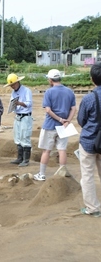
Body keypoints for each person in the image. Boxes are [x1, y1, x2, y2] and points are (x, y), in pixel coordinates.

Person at [33, 69, 76, 181]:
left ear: (51, 80)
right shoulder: (69, 91)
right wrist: (67, 121)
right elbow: (73, 108)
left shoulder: (49, 92)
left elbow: (48, 110)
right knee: (62, 149)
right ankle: (62, 174)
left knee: (46, 150)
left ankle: (42, 174)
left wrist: (60, 119)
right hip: (64, 127)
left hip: (50, 125)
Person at [77, 62, 101, 217]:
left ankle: (93, 208)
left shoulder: (89, 98)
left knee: (87, 175)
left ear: (92, 79)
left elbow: (81, 120)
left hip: (89, 141)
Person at [4, 73, 33, 167]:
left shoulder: (26, 91)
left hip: (25, 116)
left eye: (13, 84)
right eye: (11, 85)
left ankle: (26, 160)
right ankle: (20, 158)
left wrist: (19, 103)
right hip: (17, 115)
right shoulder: (13, 93)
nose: (12, 87)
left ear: (18, 82)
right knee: (17, 136)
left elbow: (29, 104)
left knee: (25, 136)